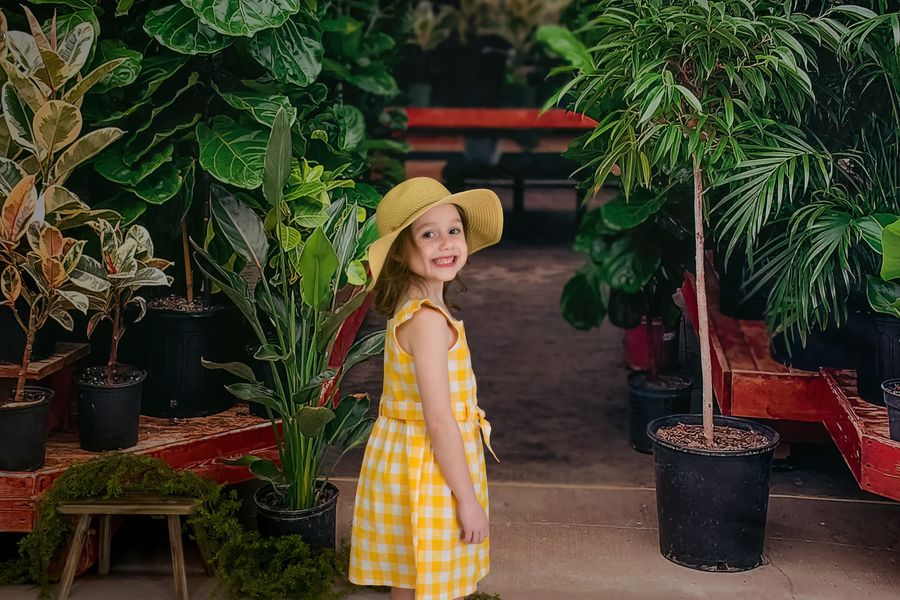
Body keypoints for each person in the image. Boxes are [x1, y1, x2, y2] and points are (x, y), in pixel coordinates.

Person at [349, 177, 504, 600]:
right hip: (430, 470)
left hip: (404, 457)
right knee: (434, 581)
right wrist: (467, 500)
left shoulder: (412, 311)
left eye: (453, 230)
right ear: (400, 250)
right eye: (428, 234)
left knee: (413, 575)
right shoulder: (429, 322)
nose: (446, 243)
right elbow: (438, 418)